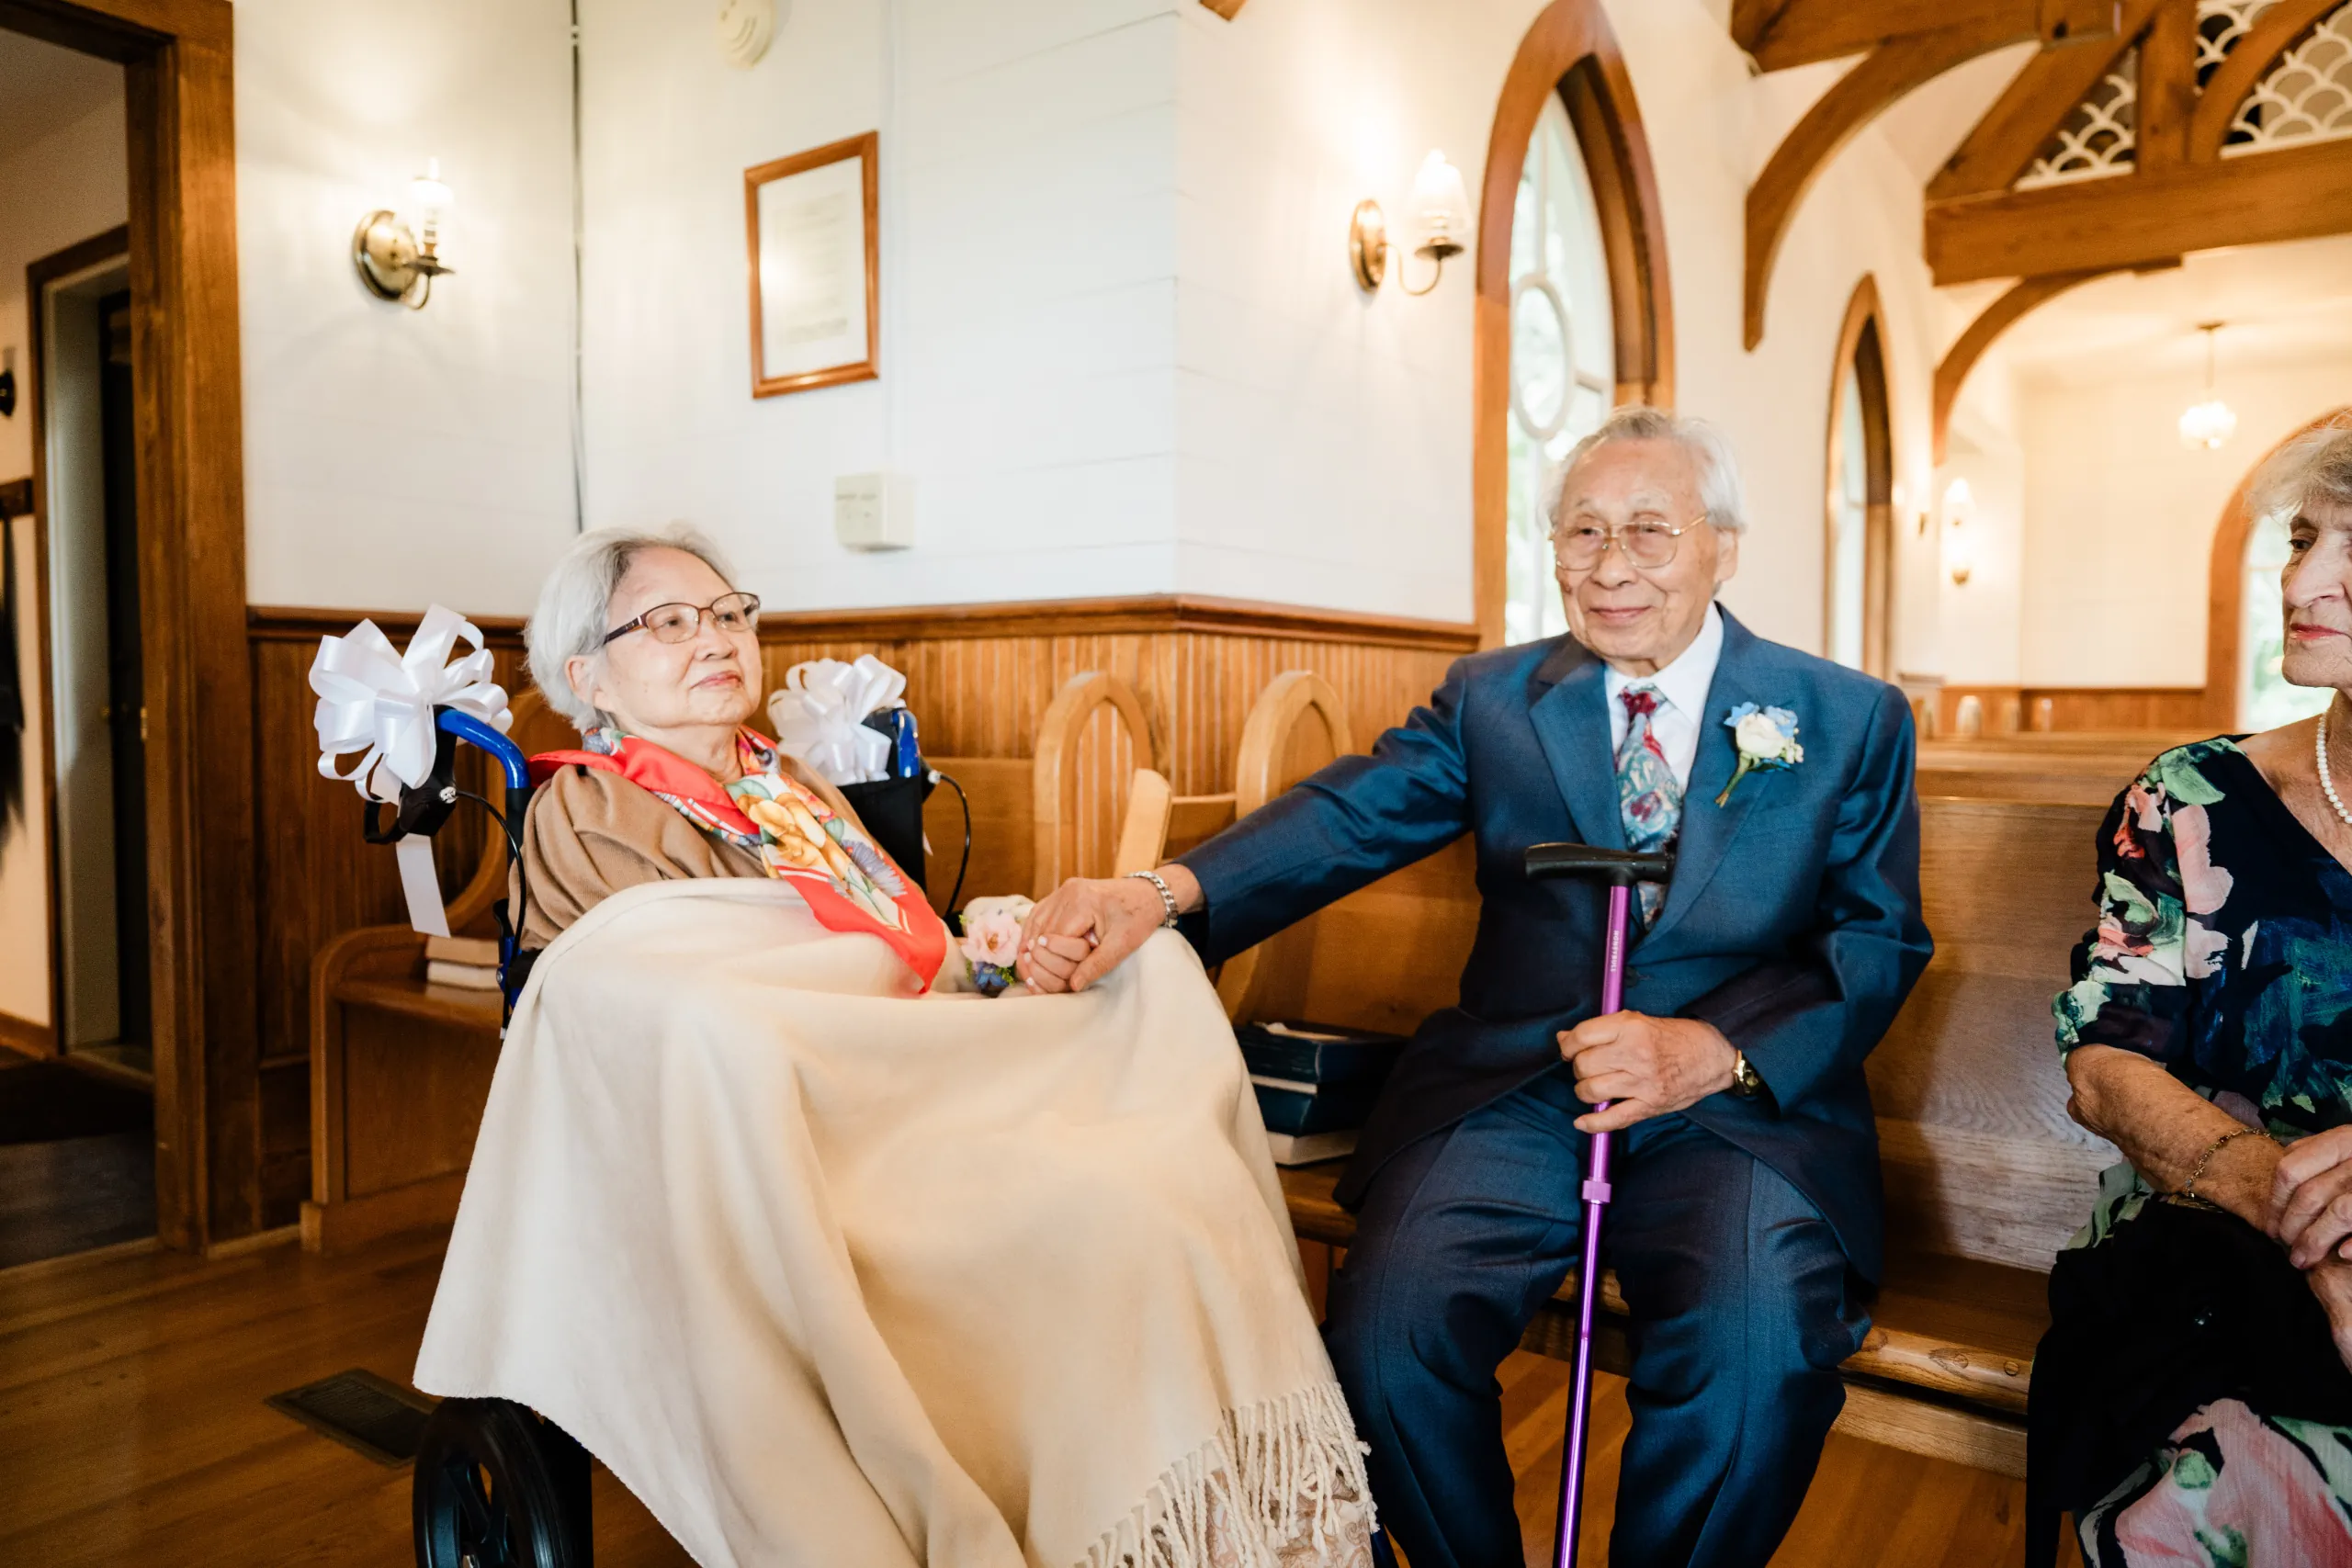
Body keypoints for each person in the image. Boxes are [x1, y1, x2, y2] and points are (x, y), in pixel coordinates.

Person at [1019, 406, 1934, 1568]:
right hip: (1515, 1085)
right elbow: (1350, 814)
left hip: (1739, 1105)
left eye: (1649, 532)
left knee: (1755, 1350)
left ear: (1725, 546)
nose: (1609, 568)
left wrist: (1710, 1052)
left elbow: (1876, 943)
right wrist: (1161, 892)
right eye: (1580, 533)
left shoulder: (1846, 717)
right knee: (1384, 1332)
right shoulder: (1495, 699)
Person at [413, 525, 1374, 1568]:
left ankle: (1203, 1517)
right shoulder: (585, 804)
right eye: (670, 622)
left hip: (903, 1077)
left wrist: (997, 958)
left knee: (1152, 1041)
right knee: (1095, 1214)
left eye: (732, 614)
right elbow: (661, 1009)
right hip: (799, 1135)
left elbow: (905, 953)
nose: (717, 639)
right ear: (584, 676)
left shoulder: (798, 790)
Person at [2037, 416, 2352, 1566]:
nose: (2304, 579)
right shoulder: (2191, 799)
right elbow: (2107, 1061)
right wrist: (2302, 1213)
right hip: (2208, 1235)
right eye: (2305, 538)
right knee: (2213, 1483)